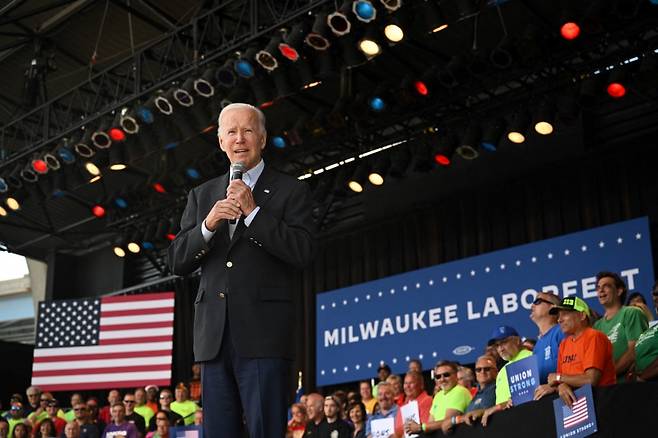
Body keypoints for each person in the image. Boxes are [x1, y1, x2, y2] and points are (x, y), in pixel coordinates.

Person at [168, 102, 315, 438]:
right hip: (213, 340)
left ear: (262, 138)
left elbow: (303, 251)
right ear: (220, 141)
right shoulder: (202, 195)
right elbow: (177, 260)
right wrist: (208, 224)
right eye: (231, 132)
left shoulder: (290, 190)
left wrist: (253, 213)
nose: (239, 139)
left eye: (247, 130)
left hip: (264, 336)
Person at [534, 297, 616, 406]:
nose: (559, 320)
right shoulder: (564, 344)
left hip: (602, 403)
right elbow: (560, 382)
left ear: (582, 315)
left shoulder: (594, 336)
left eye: (565, 314)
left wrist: (559, 379)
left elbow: (590, 380)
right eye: (559, 315)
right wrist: (561, 386)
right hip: (578, 406)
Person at [593, 271, 648, 380]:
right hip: (607, 390)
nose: (601, 290)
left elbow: (635, 351)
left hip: (630, 386)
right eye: (598, 287)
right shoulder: (596, 326)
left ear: (619, 291)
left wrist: (607, 376)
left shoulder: (631, 313)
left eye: (606, 286)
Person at [480, 326, 532, 427]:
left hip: (525, 420)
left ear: (517, 341)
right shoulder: (502, 370)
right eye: (497, 345)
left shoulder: (530, 357)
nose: (500, 349)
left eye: (504, 342)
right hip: (507, 424)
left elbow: (529, 395)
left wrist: (499, 407)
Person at [405, 361, 472, 435]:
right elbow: (430, 423)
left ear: (456, 376)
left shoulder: (460, 391)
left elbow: (447, 422)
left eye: (446, 375)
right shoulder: (438, 396)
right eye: (438, 376)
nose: (442, 379)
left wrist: (420, 427)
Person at [530, 292, 565, 383]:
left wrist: (553, 387)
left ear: (553, 307)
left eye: (537, 301)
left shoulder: (562, 331)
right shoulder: (537, 347)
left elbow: (573, 368)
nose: (532, 305)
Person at [393, 371, 432, 437]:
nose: (407, 386)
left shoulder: (428, 400)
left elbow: (426, 426)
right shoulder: (403, 406)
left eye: (411, 383)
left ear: (421, 385)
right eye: (405, 383)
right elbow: (398, 430)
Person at [462, 356, 498, 426]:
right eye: (478, 370)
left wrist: (483, 411)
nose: (482, 372)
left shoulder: (500, 387)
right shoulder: (474, 393)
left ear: (496, 371)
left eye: (487, 369)